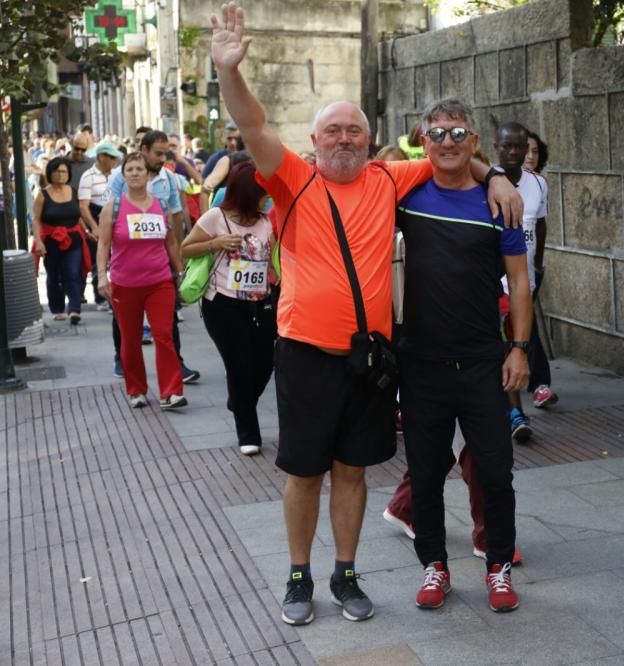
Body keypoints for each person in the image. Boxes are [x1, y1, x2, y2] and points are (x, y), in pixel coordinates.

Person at [210, 1, 522, 627]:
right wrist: (228, 72)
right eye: (333, 132)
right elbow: (252, 124)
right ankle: (298, 575)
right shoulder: (291, 179)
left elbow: (450, 153)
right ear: (314, 142)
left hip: (369, 360)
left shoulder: (389, 179)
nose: (344, 139)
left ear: (371, 141)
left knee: (352, 471)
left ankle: (345, 573)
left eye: (355, 131)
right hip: (304, 352)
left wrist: (498, 177)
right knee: (304, 472)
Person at [396, 99, 530, 613]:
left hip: (482, 360)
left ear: (474, 141)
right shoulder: (405, 194)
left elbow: (519, 281)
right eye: (437, 134)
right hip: (421, 360)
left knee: (495, 471)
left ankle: (498, 567)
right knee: (426, 472)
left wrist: (518, 348)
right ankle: (435, 565)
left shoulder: (501, 204)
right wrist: (493, 171)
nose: (447, 142)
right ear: (422, 140)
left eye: (458, 134)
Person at [182, 161, 276, 455]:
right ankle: (248, 432)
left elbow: (274, 258)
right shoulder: (215, 217)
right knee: (238, 365)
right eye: (263, 191)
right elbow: (185, 248)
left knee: (264, 363)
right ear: (249, 191)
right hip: (222, 303)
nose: (268, 196)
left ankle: (239, 401)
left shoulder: (266, 221)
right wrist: (217, 242)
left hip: (261, 302)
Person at [107, 130, 201, 384]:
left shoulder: (169, 179)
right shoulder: (120, 177)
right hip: (126, 263)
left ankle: (176, 366)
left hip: (159, 263)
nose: (162, 158)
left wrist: (180, 263)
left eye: (165, 153)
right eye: (157, 153)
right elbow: (110, 219)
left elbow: (176, 219)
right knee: (127, 325)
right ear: (143, 150)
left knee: (167, 322)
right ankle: (122, 358)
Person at [96, 152, 186, 410]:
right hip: (125, 284)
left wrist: (180, 272)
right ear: (123, 176)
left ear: (148, 175)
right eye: (130, 169)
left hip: (159, 282)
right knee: (130, 338)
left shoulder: (161, 205)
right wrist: (103, 276)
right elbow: (103, 245)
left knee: (163, 334)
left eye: (139, 169)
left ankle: (171, 392)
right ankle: (136, 389)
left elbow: (170, 242)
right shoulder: (112, 207)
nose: (134, 173)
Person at [494, 123, 558, 441]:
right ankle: (514, 411)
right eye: (507, 146)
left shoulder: (537, 184)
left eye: (519, 147)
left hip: (526, 278)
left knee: (520, 341)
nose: (514, 152)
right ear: (497, 147)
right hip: (496, 281)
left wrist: (539, 265)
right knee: (510, 343)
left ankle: (513, 403)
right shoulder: (487, 182)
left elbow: (541, 224)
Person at [32, 157, 90, 324]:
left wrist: (86, 231)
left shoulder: (72, 191)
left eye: (64, 171)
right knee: (53, 275)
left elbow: (77, 215)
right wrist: (38, 241)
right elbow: (36, 220)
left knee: (73, 273)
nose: (60, 174)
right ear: (50, 173)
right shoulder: (43, 195)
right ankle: (57, 308)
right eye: (57, 171)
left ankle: (74, 309)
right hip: (51, 241)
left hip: (73, 240)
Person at [79, 141, 123, 311]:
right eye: (112, 158)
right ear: (102, 157)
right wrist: (93, 227)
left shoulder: (116, 176)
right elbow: (83, 205)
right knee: (101, 258)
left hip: (115, 217)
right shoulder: (88, 176)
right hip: (97, 216)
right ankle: (101, 297)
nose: (114, 161)